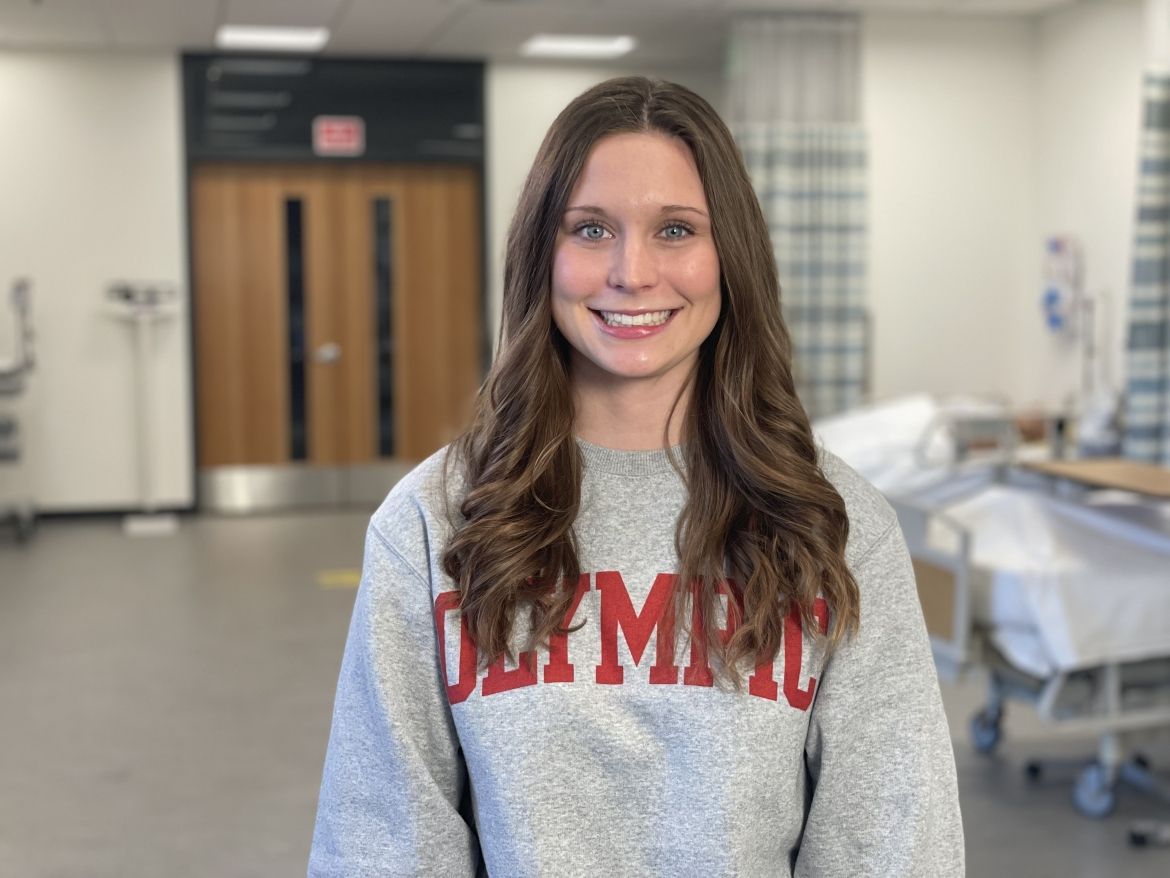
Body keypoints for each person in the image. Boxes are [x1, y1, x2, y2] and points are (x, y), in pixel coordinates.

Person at [308, 76, 964, 877]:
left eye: (676, 229)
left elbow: (894, 840)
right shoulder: (435, 520)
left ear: (731, 257)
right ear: (540, 254)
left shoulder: (836, 523)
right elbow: (382, 842)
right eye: (590, 229)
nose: (633, 271)